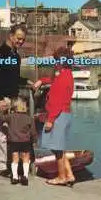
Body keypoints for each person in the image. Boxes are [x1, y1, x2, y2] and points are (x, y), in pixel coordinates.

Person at [0, 24, 42, 177]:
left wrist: (28, 82)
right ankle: (0, 167)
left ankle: (11, 163)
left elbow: (14, 78)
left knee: (11, 131)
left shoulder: (15, 55)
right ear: (11, 36)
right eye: (18, 38)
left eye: (23, 40)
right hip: (0, 96)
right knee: (1, 132)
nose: (20, 42)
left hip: (11, 97)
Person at [40, 46, 75, 187]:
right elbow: (53, 82)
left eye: (56, 61)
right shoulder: (67, 74)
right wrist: (42, 80)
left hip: (58, 115)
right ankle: (70, 175)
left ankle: (61, 177)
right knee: (59, 147)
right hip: (65, 114)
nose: (55, 63)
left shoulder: (62, 77)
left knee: (57, 148)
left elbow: (57, 101)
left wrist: (50, 120)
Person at [0, 96, 37, 185]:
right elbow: (33, 132)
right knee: (26, 159)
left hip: (13, 142)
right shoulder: (29, 118)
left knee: (15, 159)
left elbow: (0, 119)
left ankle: (15, 177)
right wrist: (34, 140)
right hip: (25, 142)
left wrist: (2, 111)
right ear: (25, 107)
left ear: (14, 107)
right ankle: (25, 176)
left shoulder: (11, 116)